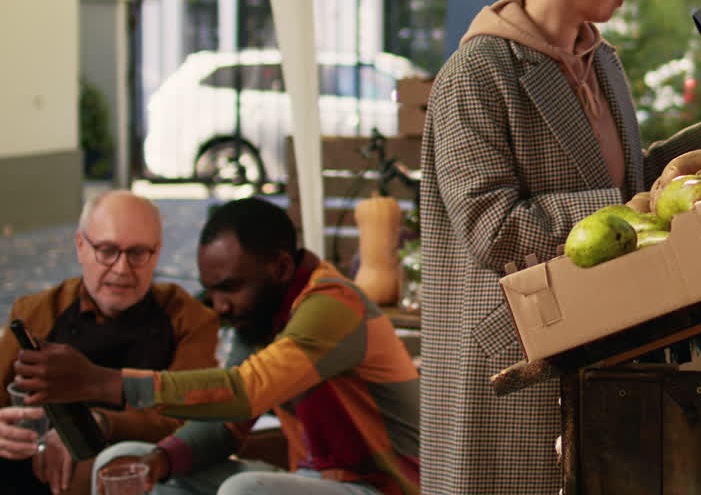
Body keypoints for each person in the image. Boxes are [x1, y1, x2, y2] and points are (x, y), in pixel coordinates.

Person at [417, 0, 701, 494]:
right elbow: (494, 228)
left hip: (599, 346)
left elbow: (634, 179)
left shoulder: (600, 61)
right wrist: (627, 204)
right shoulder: (476, 74)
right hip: (516, 367)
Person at [13, 196, 420, 495]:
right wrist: (161, 461)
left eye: (230, 288)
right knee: (121, 462)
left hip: (385, 488)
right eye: (107, 251)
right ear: (81, 248)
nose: (220, 307)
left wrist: (101, 382)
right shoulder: (259, 314)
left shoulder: (333, 304)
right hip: (309, 482)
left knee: (244, 491)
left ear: (279, 268)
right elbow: (226, 426)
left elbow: (243, 391)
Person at [0, 190, 220, 495]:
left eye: (138, 253)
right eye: (107, 250)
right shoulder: (35, 313)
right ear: (80, 246)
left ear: (157, 253)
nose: (121, 269)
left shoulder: (190, 319)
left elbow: (187, 421)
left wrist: (96, 424)